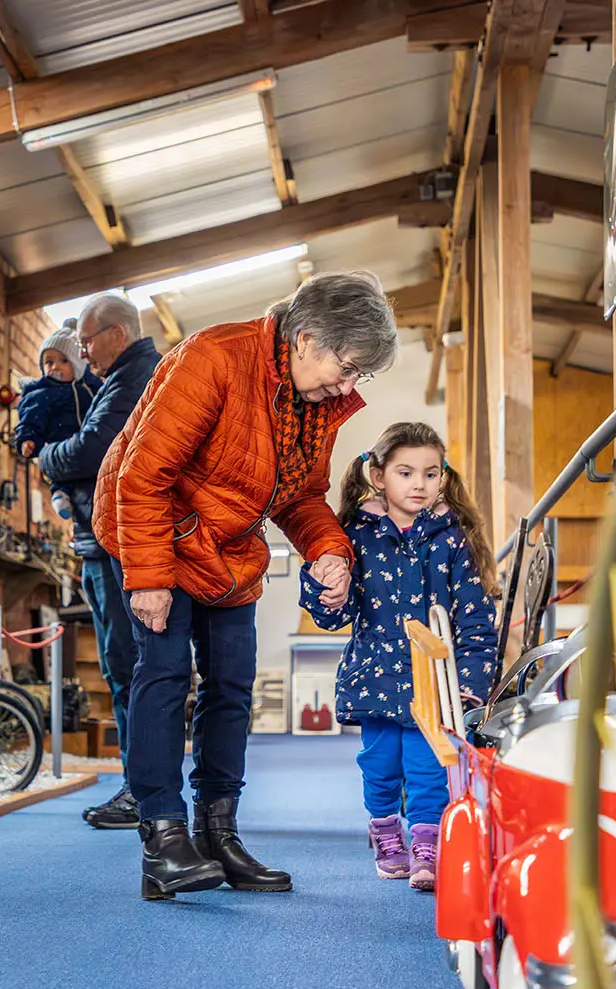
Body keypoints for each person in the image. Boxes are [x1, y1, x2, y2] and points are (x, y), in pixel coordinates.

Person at [93, 269, 400, 900]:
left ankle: (217, 833)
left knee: (232, 684)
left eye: (358, 377)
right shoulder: (211, 359)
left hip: (228, 550)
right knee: (164, 672)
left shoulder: (313, 401)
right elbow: (140, 476)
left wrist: (328, 550)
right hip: (155, 530)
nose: (347, 385)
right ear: (306, 339)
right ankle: (163, 838)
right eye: (346, 367)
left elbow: (303, 495)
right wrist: (148, 576)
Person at [300, 421, 499, 891]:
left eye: (431, 474)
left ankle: (427, 843)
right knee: (380, 764)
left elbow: (475, 619)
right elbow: (336, 616)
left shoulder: (452, 538)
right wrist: (322, 589)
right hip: (375, 676)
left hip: (434, 682)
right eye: (406, 473)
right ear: (379, 475)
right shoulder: (355, 536)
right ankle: (386, 831)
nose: (420, 484)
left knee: (429, 765)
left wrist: (469, 684)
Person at [37, 294, 162, 830]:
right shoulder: (122, 378)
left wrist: (46, 458)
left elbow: (92, 449)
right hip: (106, 538)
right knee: (127, 664)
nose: (83, 353)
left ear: (117, 332)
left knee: (127, 663)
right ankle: (143, 788)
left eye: (88, 341)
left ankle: (142, 792)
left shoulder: (134, 378)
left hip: (116, 541)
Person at [14, 319, 103, 520]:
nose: (55, 367)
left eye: (64, 361)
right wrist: (27, 439)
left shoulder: (90, 388)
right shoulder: (42, 393)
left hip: (87, 449)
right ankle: (59, 493)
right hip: (59, 443)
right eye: (49, 362)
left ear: (78, 364)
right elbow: (31, 417)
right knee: (61, 471)